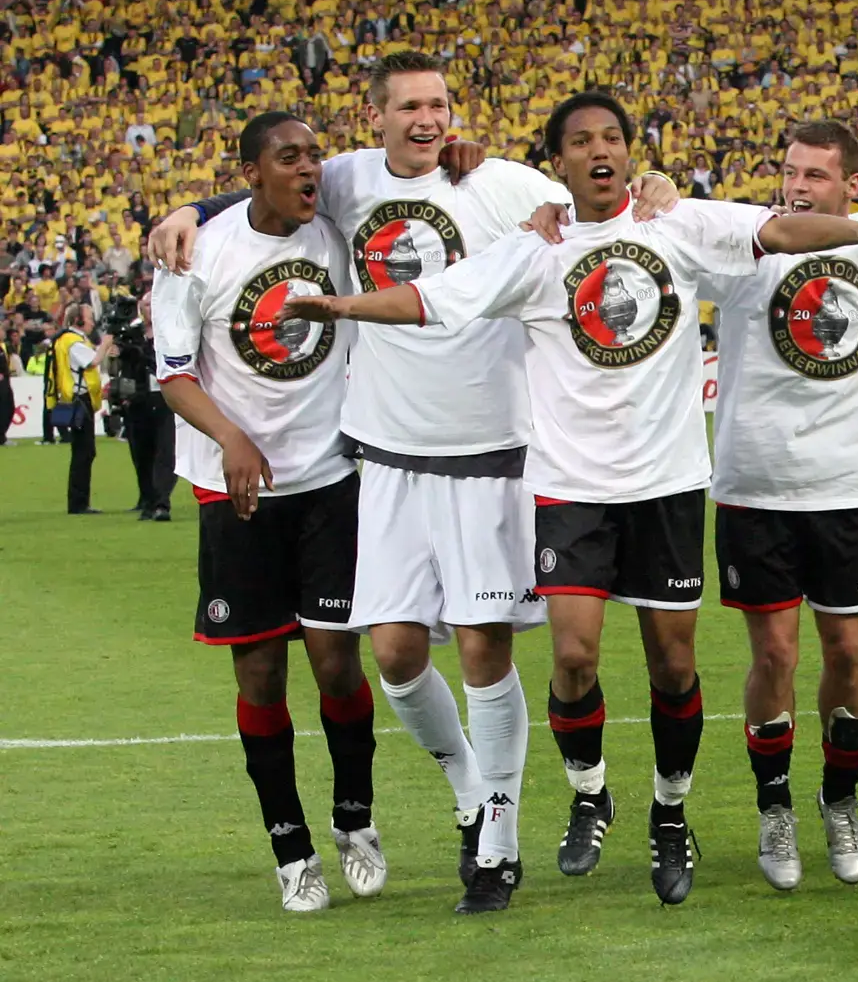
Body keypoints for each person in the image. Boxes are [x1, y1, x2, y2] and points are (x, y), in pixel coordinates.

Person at [286, 91, 858, 909]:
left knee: (674, 662)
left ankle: (670, 811)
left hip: (665, 484)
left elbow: (777, 232)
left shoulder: (678, 225)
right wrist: (342, 305)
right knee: (574, 656)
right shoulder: (537, 250)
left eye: (614, 138)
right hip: (570, 486)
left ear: (631, 152)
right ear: (558, 164)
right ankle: (590, 792)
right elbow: (431, 297)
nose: (601, 150)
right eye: (583, 140)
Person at [150, 51, 677, 913]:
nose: (428, 120)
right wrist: (189, 208)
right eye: (410, 107)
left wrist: (656, 187)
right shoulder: (345, 181)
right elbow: (267, 193)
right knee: (393, 656)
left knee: (481, 650)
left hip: (490, 455)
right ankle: (474, 791)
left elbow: (596, 193)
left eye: (439, 104)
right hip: (386, 459)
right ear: (378, 119)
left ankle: (498, 848)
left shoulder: (502, 184)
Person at [691, 120, 858, 891]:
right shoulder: (746, 244)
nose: (798, 186)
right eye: (791, 171)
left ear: (851, 188)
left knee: (846, 653)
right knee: (774, 654)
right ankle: (774, 808)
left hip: (844, 488)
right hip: (755, 486)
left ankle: (839, 797)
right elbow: (667, 228)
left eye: (815, 175)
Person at [150, 111, 381, 914]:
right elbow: (176, 375)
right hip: (233, 487)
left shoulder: (339, 228)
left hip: (326, 477)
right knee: (258, 668)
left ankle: (355, 818)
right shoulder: (193, 255)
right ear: (252, 172)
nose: (310, 169)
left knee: (335, 661)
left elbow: (412, 186)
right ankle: (292, 847)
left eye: (316, 155)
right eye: (290, 158)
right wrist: (232, 438)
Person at [44, 302, 106, 514]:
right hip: (80, 399)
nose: (92, 322)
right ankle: (79, 502)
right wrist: (106, 344)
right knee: (84, 451)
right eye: (89, 317)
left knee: (82, 450)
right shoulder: (74, 341)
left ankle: (79, 501)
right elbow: (92, 361)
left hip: (75, 399)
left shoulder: (67, 339)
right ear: (78, 320)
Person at [125, 295, 177, 521]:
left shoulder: (171, 333)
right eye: (145, 305)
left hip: (166, 399)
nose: (149, 308)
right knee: (141, 454)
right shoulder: (131, 336)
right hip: (139, 400)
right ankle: (148, 500)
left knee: (165, 452)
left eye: (152, 303)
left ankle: (161, 502)